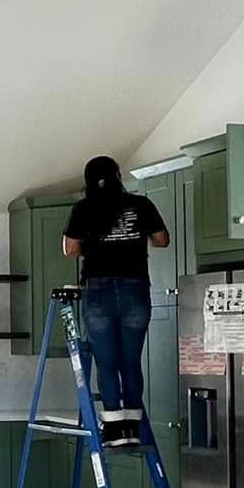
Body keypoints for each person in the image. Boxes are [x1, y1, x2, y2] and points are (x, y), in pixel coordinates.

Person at [62, 157, 169, 449]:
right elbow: (162, 240)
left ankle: (114, 429)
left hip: (98, 291)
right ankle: (133, 424)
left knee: (107, 362)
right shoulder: (141, 204)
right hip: (135, 289)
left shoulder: (83, 209)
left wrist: (95, 244)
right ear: (118, 176)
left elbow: (70, 250)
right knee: (130, 360)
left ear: (87, 181)